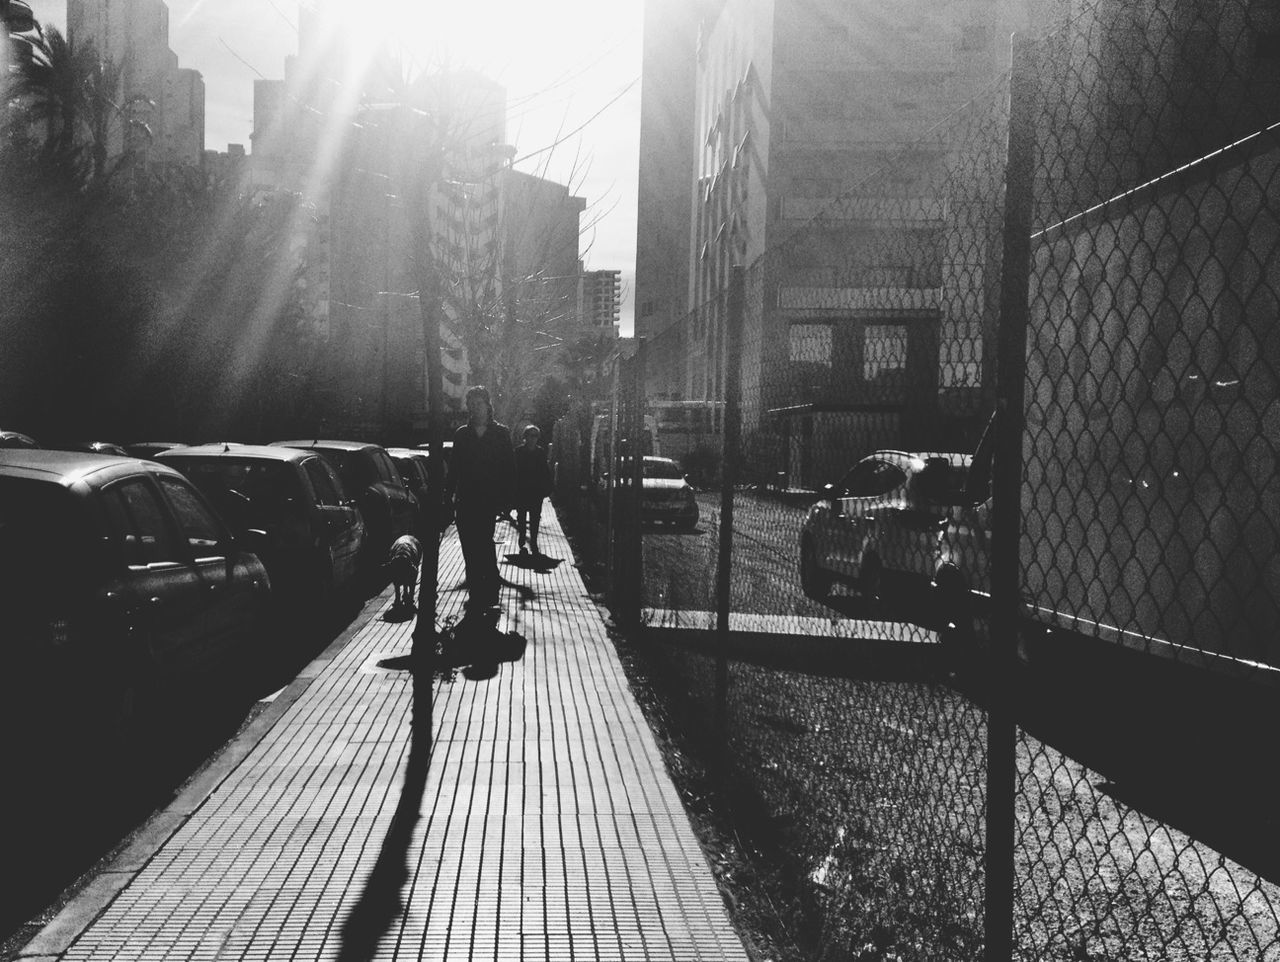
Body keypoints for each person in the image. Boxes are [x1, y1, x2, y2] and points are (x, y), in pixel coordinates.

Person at [447, 386, 515, 611]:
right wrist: (447, 497)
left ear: (488, 405)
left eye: (479, 404)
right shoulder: (462, 435)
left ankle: (490, 586)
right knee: (469, 545)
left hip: (488, 499)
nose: (475, 408)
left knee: (484, 542)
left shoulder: (500, 433)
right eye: (471, 405)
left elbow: (508, 468)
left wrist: (507, 500)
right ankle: (476, 589)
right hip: (466, 499)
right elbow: (454, 469)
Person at [514, 424, 553, 555]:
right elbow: (514, 470)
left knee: (535, 516)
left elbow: (545, 470)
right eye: (530, 435)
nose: (533, 438)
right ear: (525, 437)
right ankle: (522, 535)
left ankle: (534, 540)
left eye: (535, 436)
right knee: (521, 515)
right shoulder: (518, 452)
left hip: (536, 490)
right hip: (522, 489)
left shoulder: (540, 452)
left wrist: (547, 487)